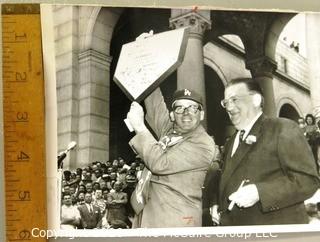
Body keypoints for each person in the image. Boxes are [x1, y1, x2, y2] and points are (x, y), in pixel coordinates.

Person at [216, 77, 320, 225]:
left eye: (235, 99)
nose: (229, 107)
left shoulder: (283, 128)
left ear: (256, 100)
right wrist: (217, 204)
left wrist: (259, 192)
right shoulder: (231, 142)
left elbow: (308, 180)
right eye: (226, 102)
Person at [126, 87, 216, 228]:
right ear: (172, 115)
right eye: (180, 108)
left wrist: (139, 126)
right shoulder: (170, 131)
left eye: (193, 108)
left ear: (202, 114)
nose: (186, 113)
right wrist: (146, 76)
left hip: (176, 220)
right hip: (148, 214)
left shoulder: (203, 143)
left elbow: (160, 163)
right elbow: (155, 105)